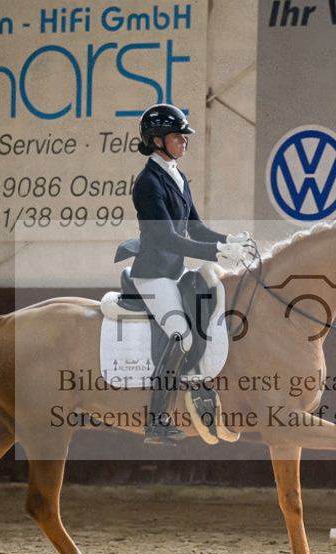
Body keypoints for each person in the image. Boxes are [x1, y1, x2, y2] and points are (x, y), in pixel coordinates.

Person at [117, 103, 249, 445]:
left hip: (174, 271)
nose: (184, 141)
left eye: (183, 136)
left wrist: (228, 241)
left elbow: (196, 228)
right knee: (181, 334)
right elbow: (167, 238)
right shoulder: (147, 183)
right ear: (157, 141)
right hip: (153, 274)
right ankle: (156, 420)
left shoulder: (176, 175)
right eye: (178, 137)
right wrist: (217, 253)